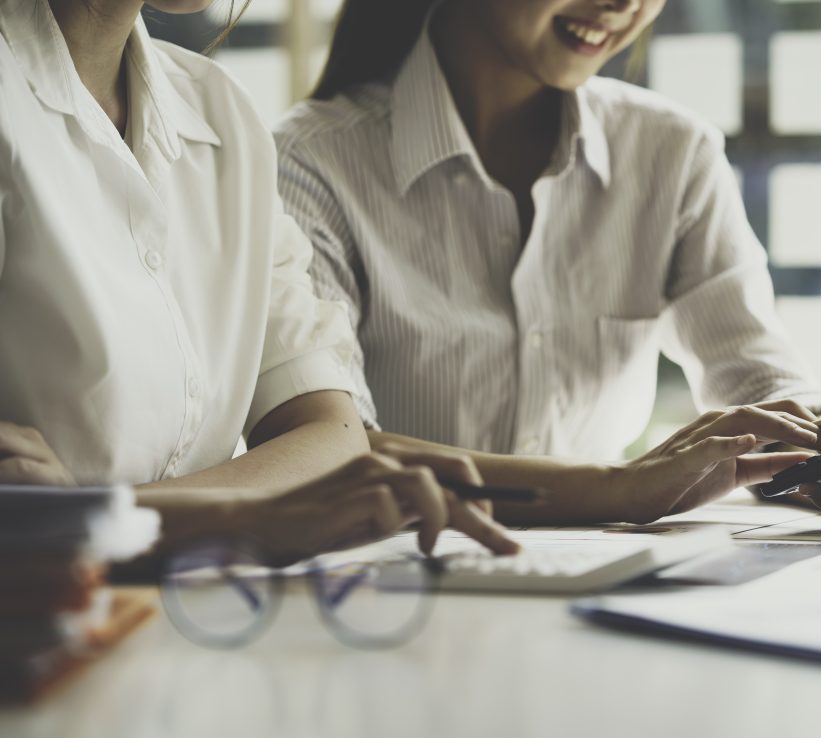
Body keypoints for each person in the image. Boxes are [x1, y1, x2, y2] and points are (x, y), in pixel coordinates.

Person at [274, 0, 821, 530]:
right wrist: (616, 487)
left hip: (604, 594)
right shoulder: (309, 166)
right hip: (389, 601)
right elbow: (331, 454)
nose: (621, 4)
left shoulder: (671, 154)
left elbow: (759, 378)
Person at [0, 0, 524, 564]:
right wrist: (240, 515)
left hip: (194, 627)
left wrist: (100, 519)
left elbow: (331, 436)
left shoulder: (220, 109)